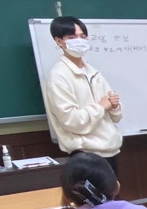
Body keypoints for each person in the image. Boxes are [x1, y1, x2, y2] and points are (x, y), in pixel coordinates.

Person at [42, 16, 123, 161]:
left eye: (83, 36)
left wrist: (115, 106)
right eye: (72, 37)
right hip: (85, 154)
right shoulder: (58, 76)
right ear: (59, 41)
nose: (79, 41)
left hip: (110, 149)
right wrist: (101, 107)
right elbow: (71, 121)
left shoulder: (94, 72)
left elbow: (116, 117)